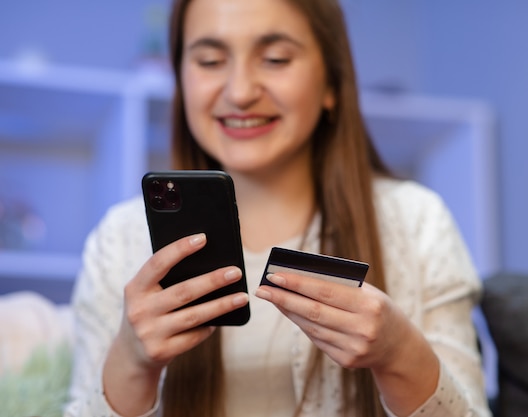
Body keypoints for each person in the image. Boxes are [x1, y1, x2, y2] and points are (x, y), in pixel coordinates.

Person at [64, 0, 491, 416]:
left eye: (275, 59)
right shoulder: (119, 239)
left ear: (330, 83)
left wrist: (400, 354)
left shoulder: (417, 221)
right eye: (210, 61)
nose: (240, 92)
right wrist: (132, 364)